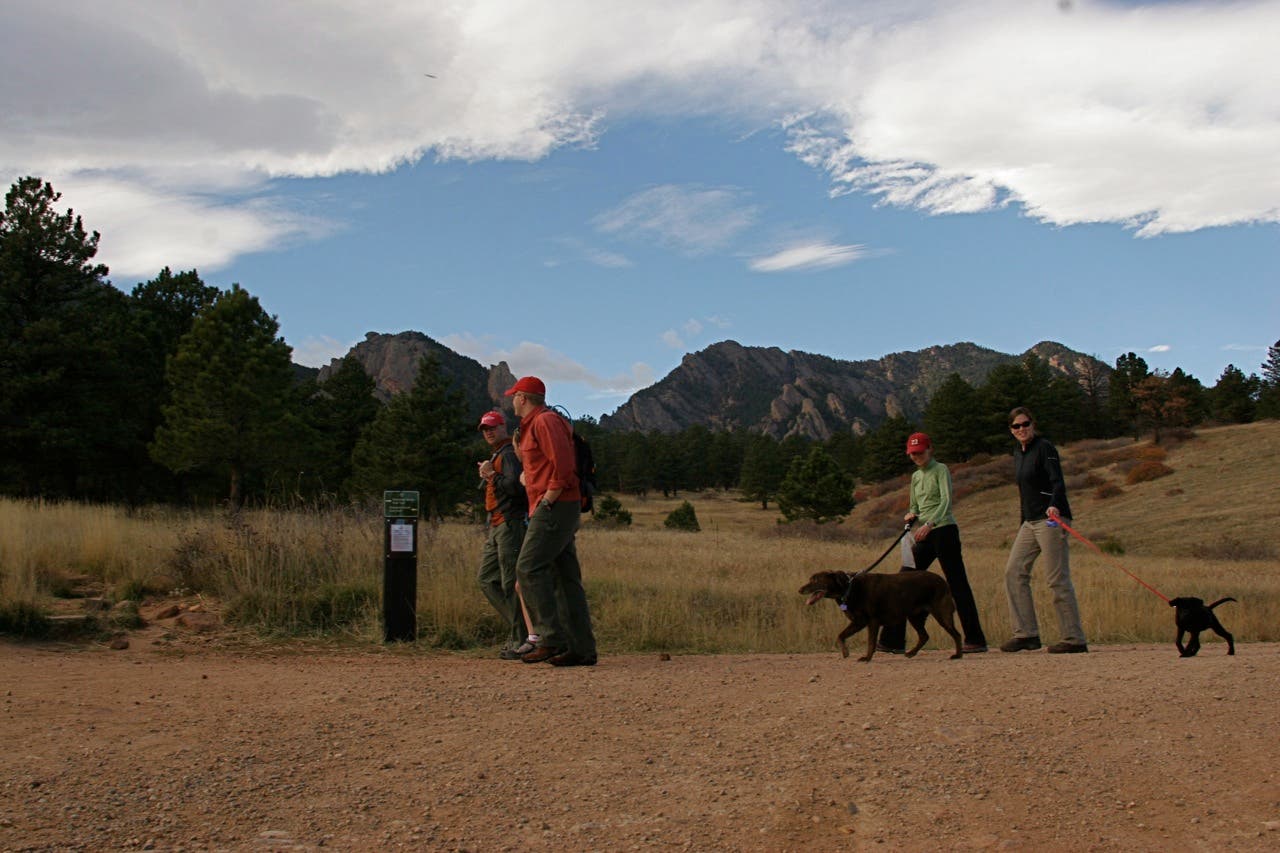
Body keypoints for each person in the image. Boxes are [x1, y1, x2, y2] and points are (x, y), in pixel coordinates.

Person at [506, 376, 598, 667]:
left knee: (528, 567)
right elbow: (544, 465)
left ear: (523, 397)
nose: (512, 401)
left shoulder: (545, 421)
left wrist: (549, 498)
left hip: (555, 506)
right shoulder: (536, 424)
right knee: (564, 577)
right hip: (554, 505)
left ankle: (549, 638)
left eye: (514, 396)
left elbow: (563, 465)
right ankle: (580, 648)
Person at [877, 432, 989, 654]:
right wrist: (912, 516)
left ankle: (975, 639)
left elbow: (947, 501)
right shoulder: (916, 477)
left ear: (930, 449)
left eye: (919, 452)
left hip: (944, 530)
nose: (916, 456)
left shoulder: (941, 470)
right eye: (912, 453)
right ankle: (892, 641)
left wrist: (930, 523)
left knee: (957, 584)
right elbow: (915, 506)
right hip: (924, 535)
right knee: (901, 581)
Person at [1000, 407, 1088, 654]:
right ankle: (1026, 634)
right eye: (1016, 426)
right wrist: (1022, 523)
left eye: (1025, 424)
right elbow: (1024, 493)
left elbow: (1057, 481)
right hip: (1029, 521)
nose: (1021, 429)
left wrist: (1054, 506)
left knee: (1056, 578)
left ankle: (1074, 638)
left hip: (1051, 519)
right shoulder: (1018, 452)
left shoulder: (1045, 448)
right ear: (1011, 430)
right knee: (1014, 572)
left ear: (1033, 423)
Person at [475, 410, 533, 659]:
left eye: (492, 427)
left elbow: (516, 488)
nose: (488, 432)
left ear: (503, 427)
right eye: (484, 429)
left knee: (510, 584)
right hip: (498, 525)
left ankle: (522, 639)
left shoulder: (508, 454)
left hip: (509, 524)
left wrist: (491, 475)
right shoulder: (499, 455)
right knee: (487, 579)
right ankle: (523, 630)